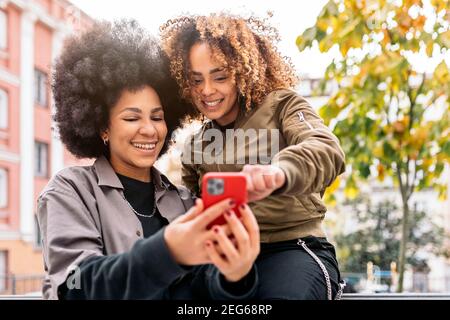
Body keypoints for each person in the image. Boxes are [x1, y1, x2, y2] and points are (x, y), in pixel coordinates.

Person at [37, 19, 260, 300]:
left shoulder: (183, 200)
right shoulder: (71, 191)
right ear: (103, 127)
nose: (150, 129)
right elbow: (77, 287)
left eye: (157, 117)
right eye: (132, 118)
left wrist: (236, 276)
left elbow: (205, 288)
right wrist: (168, 251)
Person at [160, 13, 346, 300]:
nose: (207, 90)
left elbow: (326, 150)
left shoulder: (283, 105)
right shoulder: (196, 145)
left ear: (243, 71)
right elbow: (194, 205)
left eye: (219, 76)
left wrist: (278, 173)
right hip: (226, 257)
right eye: (196, 80)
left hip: (292, 247)